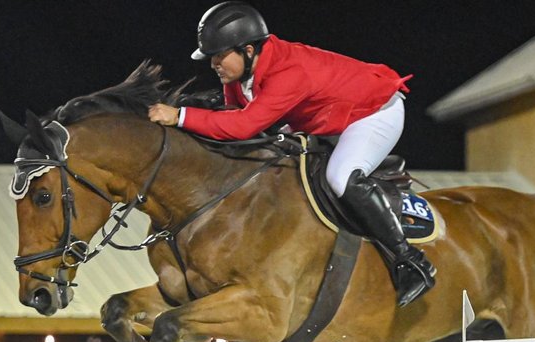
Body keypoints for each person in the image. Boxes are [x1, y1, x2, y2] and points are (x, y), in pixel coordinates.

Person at [148, 2, 435, 307]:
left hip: (373, 112)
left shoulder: (289, 70)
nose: (213, 64)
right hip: (327, 115)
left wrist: (180, 116)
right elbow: (234, 112)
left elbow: (244, 125)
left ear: (247, 50)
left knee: (340, 177)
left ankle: (411, 262)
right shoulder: (243, 72)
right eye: (211, 57)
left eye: (219, 55)